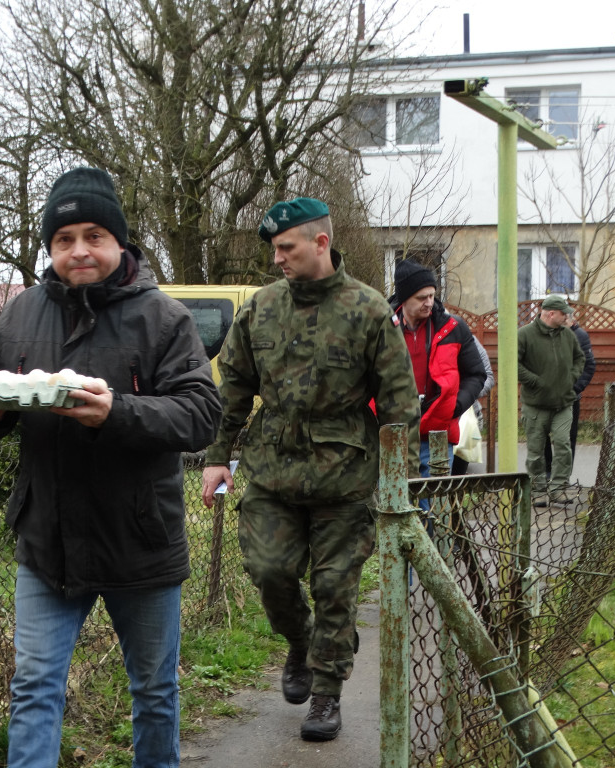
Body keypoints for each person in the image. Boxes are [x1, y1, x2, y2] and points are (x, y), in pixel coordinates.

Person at [0, 167, 223, 768]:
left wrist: (117, 413)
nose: (79, 250)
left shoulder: (164, 319)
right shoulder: (20, 315)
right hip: (47, 541)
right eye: (63, 239)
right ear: (50, 248)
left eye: (93, 235)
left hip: (141, 541)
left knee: (155, 693)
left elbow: (200, 415)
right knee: (33, 690)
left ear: (119, 242)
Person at [200, 198, 420, 743]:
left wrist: (400, 481)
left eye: (286, 248)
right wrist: (215, 457)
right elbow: (232, 390)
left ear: (320, 243)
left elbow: (399, 405)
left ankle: (326, 693)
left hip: (344, 479)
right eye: (274, 250)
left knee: (335, 587)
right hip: (272, 474)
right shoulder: (260, 310)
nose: (277, 259)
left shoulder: (369, 311)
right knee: (270, 572)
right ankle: (302, 641)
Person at [389, 260, 487, 480]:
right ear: (404, 298)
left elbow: (476, 374)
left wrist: (455, 406)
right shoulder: (381, 327)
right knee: (393, 504)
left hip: (437, 433)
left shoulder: (453, 328)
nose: (429, 303)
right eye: (422, 298)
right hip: (392, 431)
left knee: (432, 509)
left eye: (432, 296)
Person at [518, 294, 585, 506]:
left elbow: (580, 358)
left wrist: (571, 378)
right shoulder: (525, 335)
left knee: (563, 445)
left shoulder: (567, 335)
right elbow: (513, 363)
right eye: (564, 313)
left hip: (563, 403)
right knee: (536, 451)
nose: (568, 317)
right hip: (536, 405)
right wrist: (535, 381)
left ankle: (558, 489)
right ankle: (538, 491)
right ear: (551, 313)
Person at [544, 311, 596, 477]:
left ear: (567, 318)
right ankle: (546, 472)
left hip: (569, 398)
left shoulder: (580, 336)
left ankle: (562, 476)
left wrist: (575, 388)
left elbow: (589, 366)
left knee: (566, 439)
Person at [452, 335, 494, 475]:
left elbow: (487, 377)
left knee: (457, 477)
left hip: (464, 421)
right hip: (429, 422)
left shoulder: (466, 338)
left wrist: (464, 397)